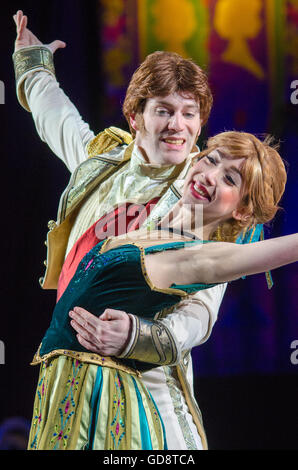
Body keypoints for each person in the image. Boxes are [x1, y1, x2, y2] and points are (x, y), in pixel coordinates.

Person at [12, 10, 229, 450]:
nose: (178, 126)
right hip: (69, 376)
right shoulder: (104, 166)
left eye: (190, 114)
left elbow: (201, 309)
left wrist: (133, 334)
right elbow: (59, 121)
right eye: (164, 111)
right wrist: (33, 64)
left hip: (149, 387)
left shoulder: (205, 195)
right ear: (134, 116)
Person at [26, 129, 291, 450]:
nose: (210, 175)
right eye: (210, 160)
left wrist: (134, 335)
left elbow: (192, 324)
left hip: (124, 407)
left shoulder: (201, 255)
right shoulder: (150, 222)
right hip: (62, 392)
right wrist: (31, 77)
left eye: (230, 180)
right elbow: (68, 130)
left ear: (243, 212)